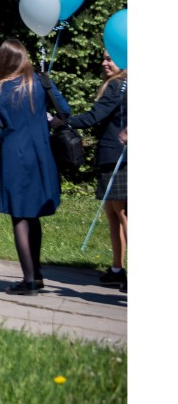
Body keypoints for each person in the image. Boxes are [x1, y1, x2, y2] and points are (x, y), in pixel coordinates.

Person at [0, 38, 67, 296]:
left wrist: (11, 138)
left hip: (14, 156)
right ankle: (36, 276)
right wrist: (42, 123)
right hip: (41, 154)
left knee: (19, 216)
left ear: (2, 61)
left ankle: (28, 280)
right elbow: (64, 112)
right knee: (33, 214)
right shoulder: (39, 81)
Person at [65, 49, 127, 292]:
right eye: (103, 58)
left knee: (122, 215)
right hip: (114, 158)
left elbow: (94, 116)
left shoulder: (117, 86)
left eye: (109, 59)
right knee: (113, 215)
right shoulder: (126, 85)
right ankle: (116, 269)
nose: (104, 63)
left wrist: (64, 121)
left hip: (116, 158)